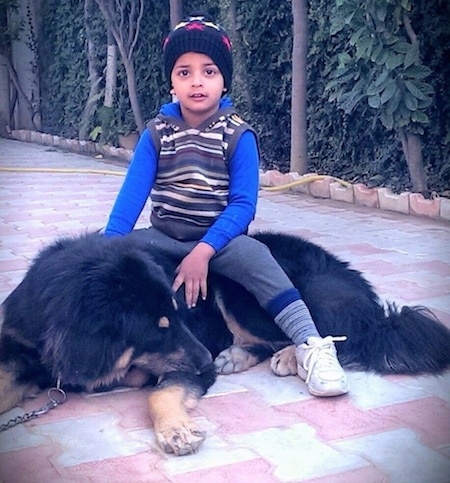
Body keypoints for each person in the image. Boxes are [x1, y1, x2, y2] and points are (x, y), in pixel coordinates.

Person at [104, 14, 348, 397]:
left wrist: (204, 250)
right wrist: (106, 251)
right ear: (172, 81)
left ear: (224, 80)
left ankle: (311, 344)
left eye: (209, 71)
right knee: (123, 262)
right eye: (184, 72)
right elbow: (128, 202)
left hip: (222, 240)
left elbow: (242, 206)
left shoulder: (237, 134)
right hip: (163, 235)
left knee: (260, 260)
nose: (197, 81)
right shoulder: (156, 134)